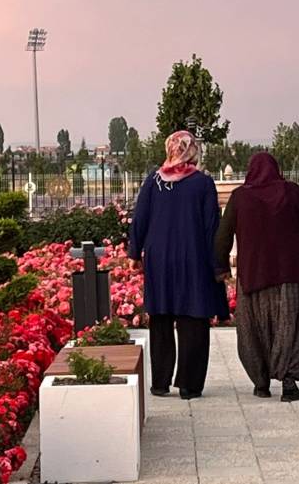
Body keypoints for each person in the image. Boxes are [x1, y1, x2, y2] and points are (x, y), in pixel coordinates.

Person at [215, 153, 299, 402]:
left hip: (254, 274)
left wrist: (221, 267)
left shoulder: (240, 197)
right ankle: (289, 382)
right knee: (290, 327)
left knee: (254, 329)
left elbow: (222, 235)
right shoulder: (291, 192)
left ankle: (261, 382)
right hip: (292, 273)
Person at [128, 131, 228, 400]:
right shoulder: (202, 183)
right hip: (193, 259)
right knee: (193, 319)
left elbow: (141, 218)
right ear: (193, 151)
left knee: (160, 317)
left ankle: (160, 383)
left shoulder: (154, 181)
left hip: (159, 260)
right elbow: (212, 228)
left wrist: (134, 253)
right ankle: (189, 385)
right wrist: (218, 264)